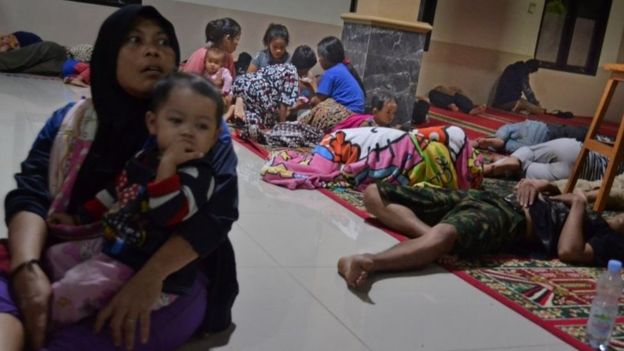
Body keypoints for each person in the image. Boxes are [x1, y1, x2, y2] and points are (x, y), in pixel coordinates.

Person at [0, 6, 239, 351]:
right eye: (134, 39)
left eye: (162, 42)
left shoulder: (201, 135)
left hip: (163, 274)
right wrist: (27, 269)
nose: (152, 50)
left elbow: (213, 221)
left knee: (85, 336)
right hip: (61, 249)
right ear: (109, 53)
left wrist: (148, 279)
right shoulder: (71, 122)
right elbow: (32, 194)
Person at [45, 72, 225, 325]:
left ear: (215, 137)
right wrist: (79, 217)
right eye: (176, 120)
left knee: (71, 290)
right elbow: (114, 191)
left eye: (202, 126)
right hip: (115, 246)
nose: (187, 132)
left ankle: (47, 323)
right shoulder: (144, 157)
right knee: (54, 256)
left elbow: (165, 213)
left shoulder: (200, 176)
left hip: (144, 269)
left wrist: (169, 164)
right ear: (153, 123)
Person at [337, 179, 624, 289]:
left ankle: (369, 261)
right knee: (375, 193)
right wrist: (540, 185)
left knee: (445, 235)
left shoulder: (610, 241)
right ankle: (430, 238)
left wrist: (578, 203)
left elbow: (569, 251)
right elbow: (556, 190)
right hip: (492, 198)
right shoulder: (602, 217)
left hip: (509, 219)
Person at [229, 45, 317, 141]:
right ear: (305, 68)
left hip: (242, 82)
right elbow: (283, 103)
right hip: (258, 91)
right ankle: (254, 128)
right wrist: (282, 126)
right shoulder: (292, 74)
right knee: (270, 123)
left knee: (257, 113)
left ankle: (243, 119)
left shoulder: (284, 66)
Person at [483, 137, 624, 181]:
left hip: (576, 149)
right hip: (577, 176)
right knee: (523, 170)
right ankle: (491, 168)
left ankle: (511, 159)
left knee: (529, 152)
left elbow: (601, 141)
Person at [306, 36, 365, 129]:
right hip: (358, 112)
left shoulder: (331, 73)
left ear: (326, 57)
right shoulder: (342, 68)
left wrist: (312, 85)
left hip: (347, 113)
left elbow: (318, 101)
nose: (319, 60)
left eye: (320, 56)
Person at [473, 120, 588, 153]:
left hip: (538, 144)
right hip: (543, 132)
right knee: (582, 135)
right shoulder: (503, 131)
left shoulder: (504, 140)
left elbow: (499, 142)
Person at [329, 90, 398, 132]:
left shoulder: (386, 125)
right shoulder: (366, 126)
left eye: (394, 113)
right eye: (388, 112)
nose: (391, 116)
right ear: (375, 111)